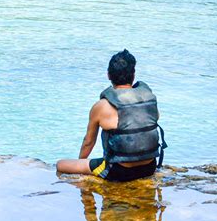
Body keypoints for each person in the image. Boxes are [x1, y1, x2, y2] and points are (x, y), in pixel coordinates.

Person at [56, 49, 167, 181]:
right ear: (133, 75)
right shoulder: (149, 98)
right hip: (149, 167)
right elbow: (153, 120)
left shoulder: (101, 106)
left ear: (109, 75)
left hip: (118, 171)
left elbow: (89, 142)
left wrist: (81, 164)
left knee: (60, 165)